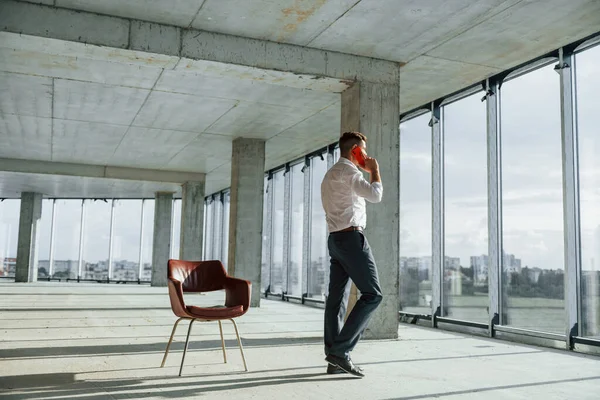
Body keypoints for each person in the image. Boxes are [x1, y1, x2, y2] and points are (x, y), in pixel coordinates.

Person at [321, 131, 383, 378]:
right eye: (364, 151)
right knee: (373, 294)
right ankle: (340, 352)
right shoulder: (349, 172)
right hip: (351, 239)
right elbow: (376, 196)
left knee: (336, 299)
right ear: (355, 150)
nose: (366, 156)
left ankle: (333, 357)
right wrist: (374, 170)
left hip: (335, 240)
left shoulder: (329, 175)